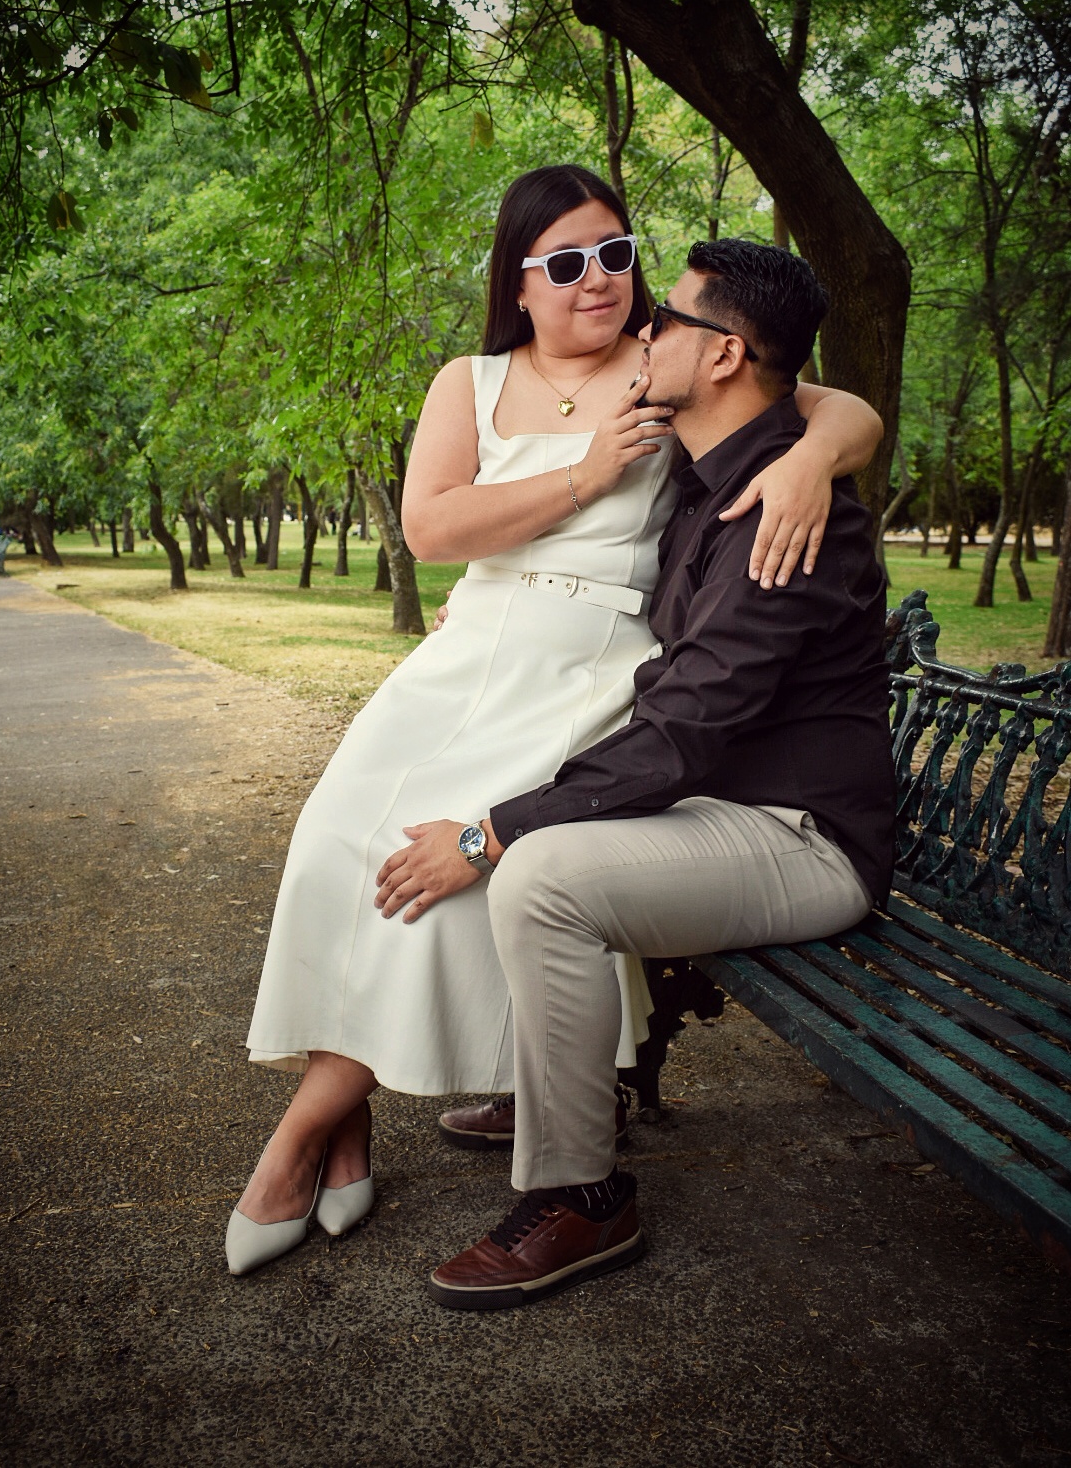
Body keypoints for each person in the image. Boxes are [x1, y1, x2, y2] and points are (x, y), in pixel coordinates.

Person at [226, 169, 883, 1276]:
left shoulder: (744, 467)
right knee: (339, 847)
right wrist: (572, 493)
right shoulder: (583, 396)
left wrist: (817, 455)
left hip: (680, 740)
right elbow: (436, 524)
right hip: (504, 658)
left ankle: (342, 1144)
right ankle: (346, 1126)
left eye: (625, 262)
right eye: (569, 262)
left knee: (494, 871)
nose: (614, 290)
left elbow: (811, 398)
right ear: (519, 282)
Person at [374, 237, 897, 1311]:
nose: (642, 330)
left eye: (667, 316)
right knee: (540, 842)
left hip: (805, 838)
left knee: (537, 874)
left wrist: (485, 834)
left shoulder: (781, 519)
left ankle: (583, 1198)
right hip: (727, 808)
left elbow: (686, 734)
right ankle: (561, 1103)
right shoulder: (717, 480)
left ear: (721, 357)